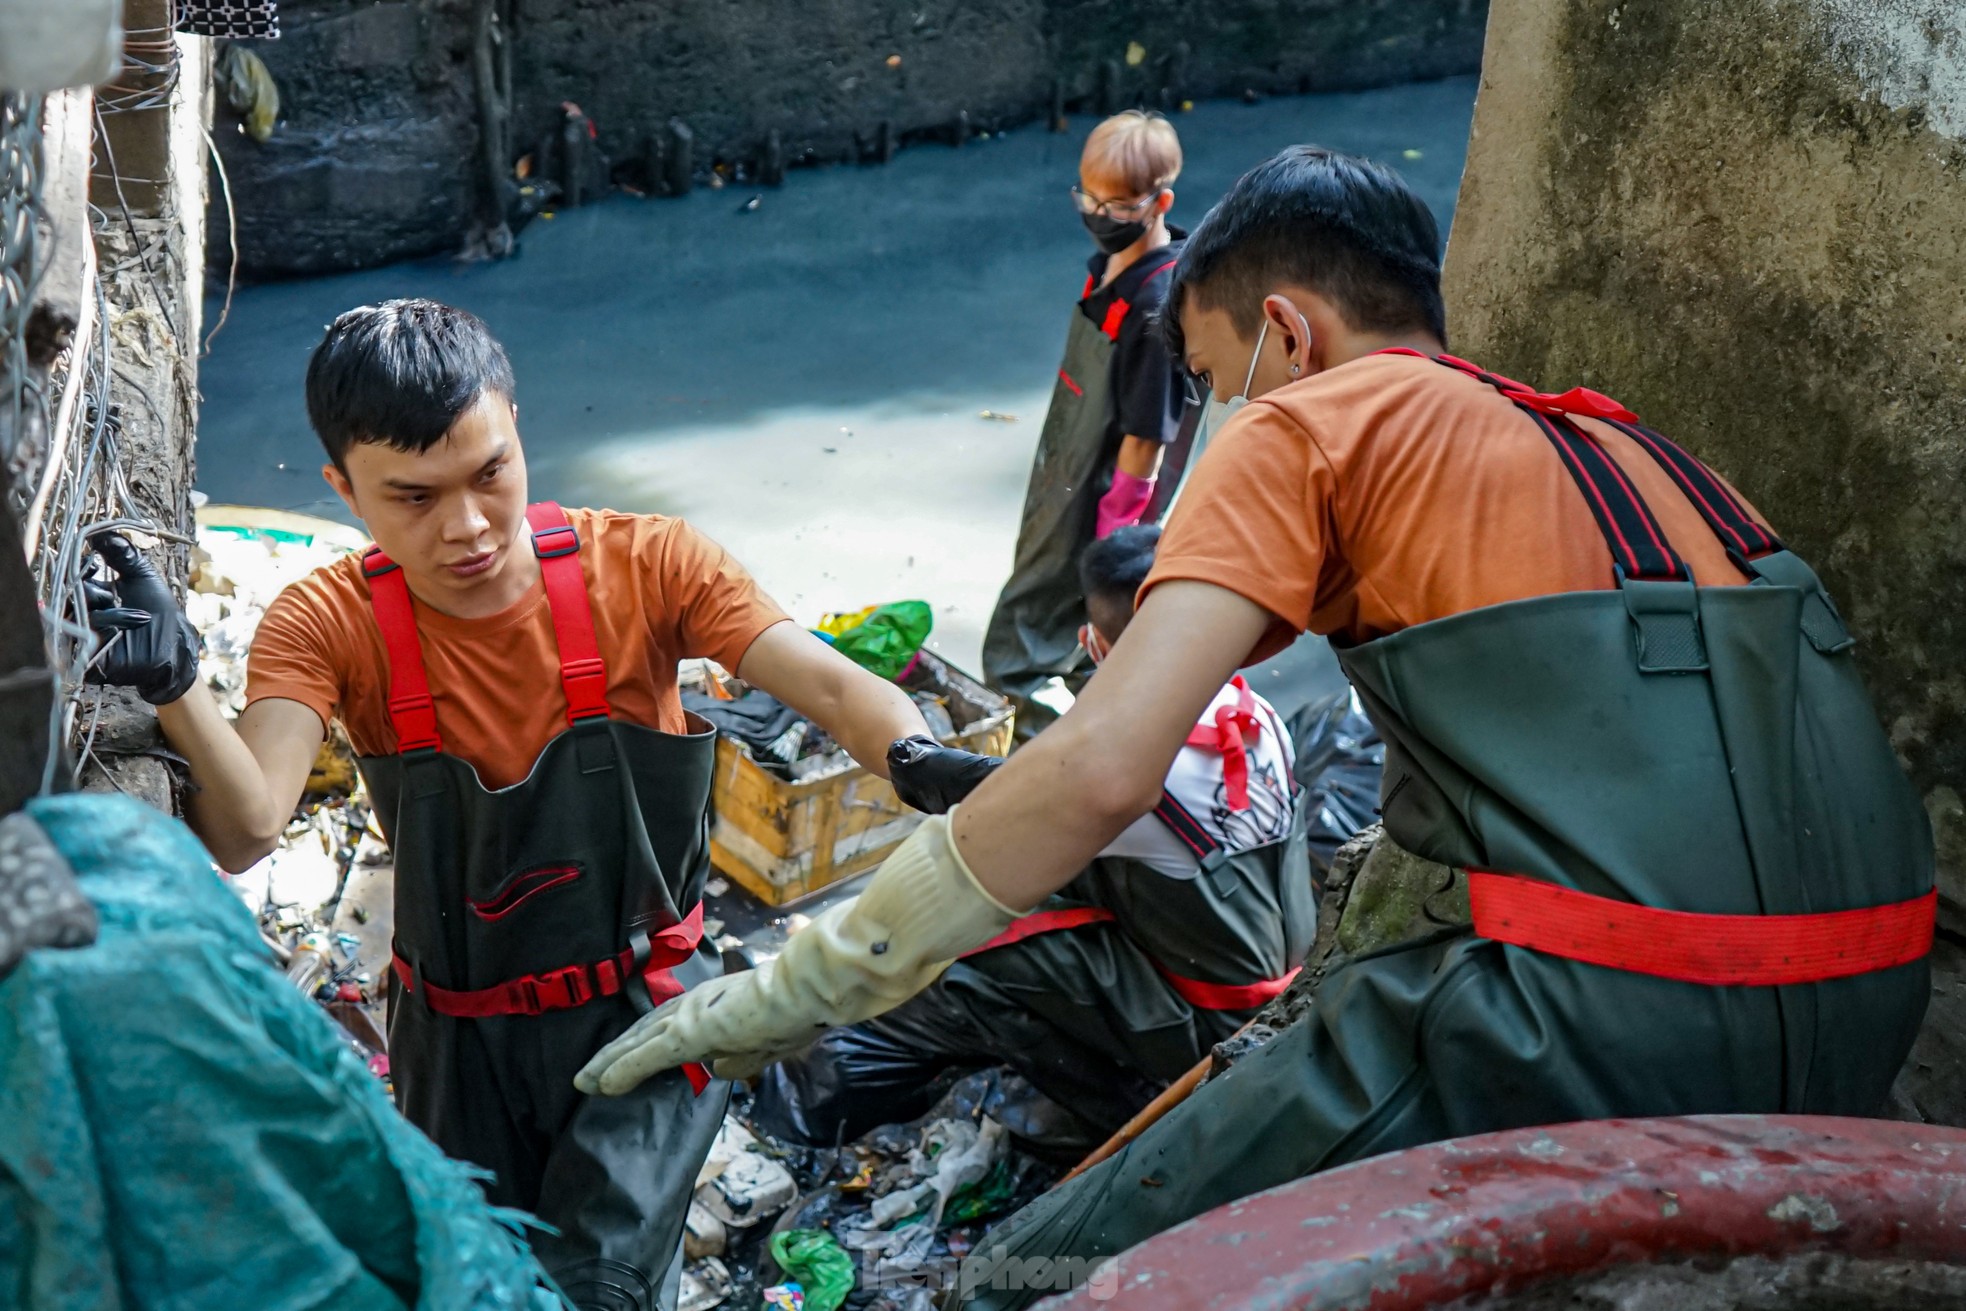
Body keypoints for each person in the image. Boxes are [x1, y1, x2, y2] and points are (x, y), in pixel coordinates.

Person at [571, 146, 1934, 1307]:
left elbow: (1102, 764)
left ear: (1287, 332)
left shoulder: (1311, 425)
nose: (1224, 420)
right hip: (1879, 999)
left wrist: (800, 983)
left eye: (1220, 379)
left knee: (1058, 1260)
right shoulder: (1632, 447)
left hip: (1614, 1008)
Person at [80, 298, 982, 1311]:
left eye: (489, 473)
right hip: (451, 1036)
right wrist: (177, 683)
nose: (464, 526)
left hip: (648, 1010)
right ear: (344, 489)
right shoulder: (327, 621)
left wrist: (910, 753)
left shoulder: (648, 565)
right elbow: (247, 829)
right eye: (412, 497)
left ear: (516, 425)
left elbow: (829, 685)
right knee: (466, 1276)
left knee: (602, 1286)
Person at [747, 525, 1315, 1154]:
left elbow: (994, 825)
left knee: (962, 965)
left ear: (1091, 642)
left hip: (1206, 1017)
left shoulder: (1125, 766)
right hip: (1268, 967)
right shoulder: (1245, 707)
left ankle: (1130, 1119)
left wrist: (915, 765)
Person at [982, 109, 1197, 740]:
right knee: (1073, 638)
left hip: (1102, 499)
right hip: (1063, 475)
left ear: (1162, 201)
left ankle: (1024, 766)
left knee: (1022, 640)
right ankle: (1094, 732)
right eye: (1090, 199)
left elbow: (1146, 438)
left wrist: (1115, 536)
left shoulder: (1157, 303)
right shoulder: (1108, 266)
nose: (1100, 216)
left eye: (1120, 206)